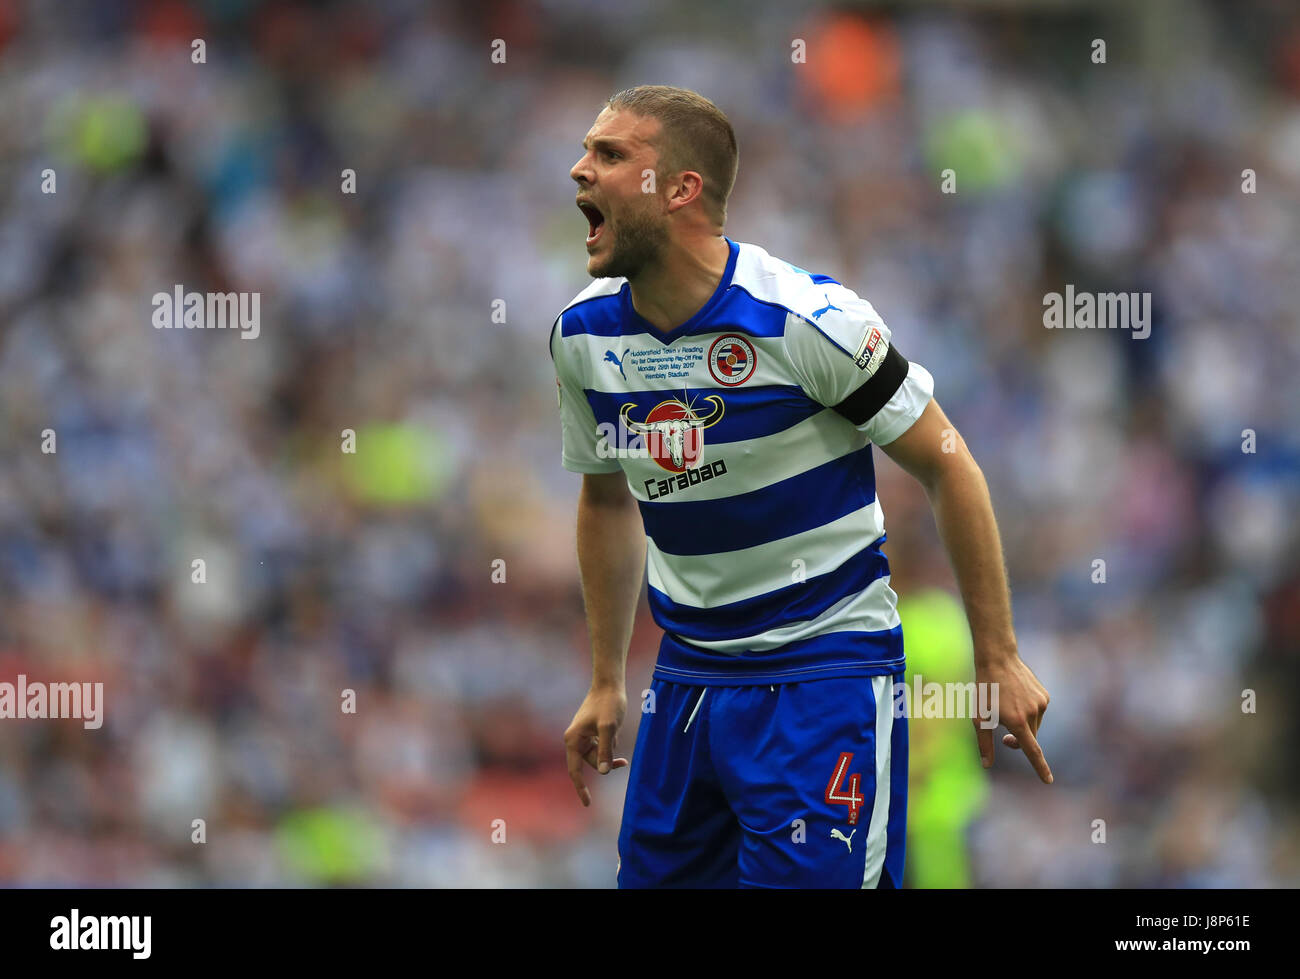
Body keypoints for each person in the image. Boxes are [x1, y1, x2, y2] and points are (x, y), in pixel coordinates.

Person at [551, 85, 1051, 889]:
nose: (579, 171)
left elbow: (948, 459)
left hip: (822, 676)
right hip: (688, 680)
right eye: (586, 152)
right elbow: (606, 497)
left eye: (610, 155)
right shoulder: (584, 335)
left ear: (680, 189)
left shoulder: (804, 321)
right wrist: (608, 677)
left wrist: (997, 654)